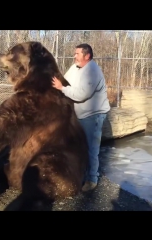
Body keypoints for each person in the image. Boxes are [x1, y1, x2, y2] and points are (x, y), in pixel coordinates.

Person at [52, 43, 110, 192]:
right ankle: (78, 174)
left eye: (77, 53)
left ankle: (92, 179)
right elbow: (64, 81)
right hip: (80, 115)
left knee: (91, 148)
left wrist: (61, 88)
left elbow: (81, 94)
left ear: (87, 56)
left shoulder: (92, 71)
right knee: (78, 146)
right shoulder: (75, 67)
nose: (74, 56)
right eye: (75, 53)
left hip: (93, 116)